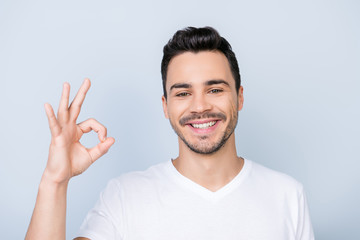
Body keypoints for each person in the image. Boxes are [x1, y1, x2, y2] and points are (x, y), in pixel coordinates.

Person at [25, 27, 314, 240]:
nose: (199, 106)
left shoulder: (287, 195)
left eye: (214, 89)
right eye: (183, 92)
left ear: (239, 97)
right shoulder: (125, 197)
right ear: (165, 106)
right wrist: (55, 181)